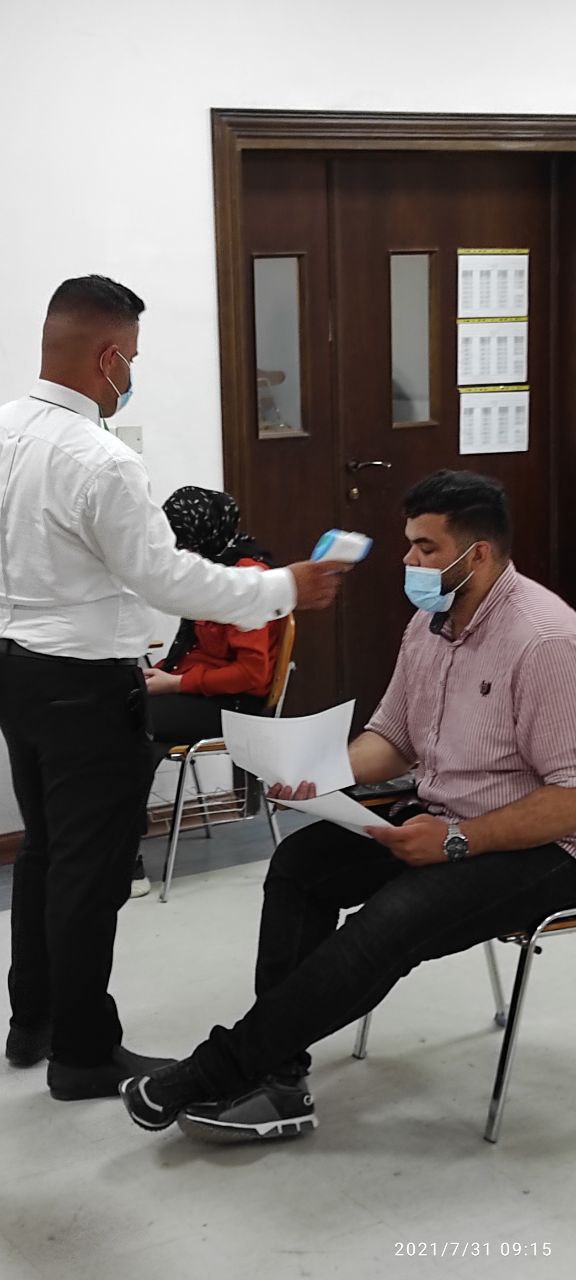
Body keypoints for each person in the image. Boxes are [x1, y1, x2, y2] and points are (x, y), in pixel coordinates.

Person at [121, 469, 576, 1143]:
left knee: (393, 917)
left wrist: (458, 842)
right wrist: (316, 771)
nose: (408, 561)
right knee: (300, 864)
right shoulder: (429, 625)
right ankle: (279, 1078)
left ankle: (216, 1070)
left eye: (426, 547)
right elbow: (393, 739)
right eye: (408, 543)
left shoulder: (546, 640)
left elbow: (570, 798)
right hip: (440, 814)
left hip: (540, 848)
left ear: (478, 554)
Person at [0, 274, 345, 1102]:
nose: (132, 374)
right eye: (133, 358)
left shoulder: (6, 429)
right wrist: (283, 587)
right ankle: (83, 1053)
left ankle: (32, 1022)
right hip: (85, 689)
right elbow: (169, 579)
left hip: (17, 672)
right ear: (108, 356)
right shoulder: (103, 460)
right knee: (89, 873)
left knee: (45, 852)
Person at [131, 483, 281, 896]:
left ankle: (124, 856)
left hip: (236, 706)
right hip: (199, 692)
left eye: (180, 540)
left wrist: (174, 683)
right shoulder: (211, 569)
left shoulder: (246, 580)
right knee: (115, 709)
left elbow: (251, 676)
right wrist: (160, 676)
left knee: (130, 726)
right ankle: (110, 845)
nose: (176, 550)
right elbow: (195, 651)